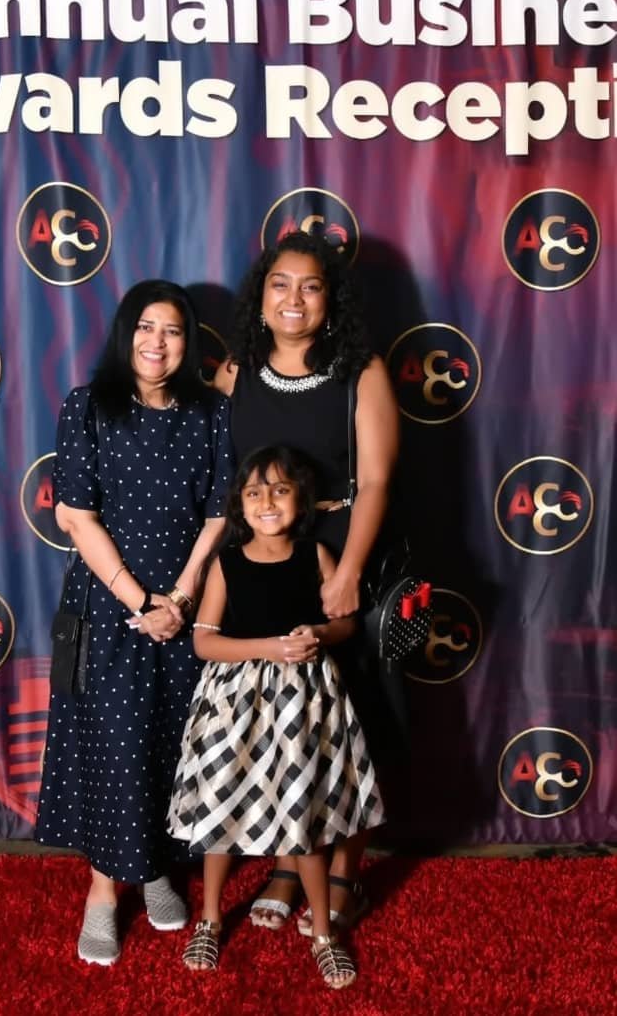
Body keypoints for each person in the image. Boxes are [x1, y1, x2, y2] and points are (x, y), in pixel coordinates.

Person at [36, 279, 234, 966]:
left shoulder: (211, 412)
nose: (158, 342)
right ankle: (102, 892)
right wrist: (137, 600)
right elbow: (76, 514)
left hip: (185, 607)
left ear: (189, 343)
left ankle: (154, 870)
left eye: (173, 330)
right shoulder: (88, 406)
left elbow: (220, 511)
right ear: (126, 334)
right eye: (146, 327)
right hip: (108, 607)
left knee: (172, 742)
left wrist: (180, 597)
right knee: (112, 745)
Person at [214, 230, 399, 935]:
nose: (294, 299)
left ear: (331, 300)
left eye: (311, 286)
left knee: (351, 720)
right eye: (280, 284)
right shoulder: (237, 372)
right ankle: (292, 863)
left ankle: (345, 870)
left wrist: (348, 572)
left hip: (339, 550)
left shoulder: (361, 371)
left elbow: (376, 480)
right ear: (261, 298)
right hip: (265, 559)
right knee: (285, 720)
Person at [168, 445, 384, 988]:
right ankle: (211, 920)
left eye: (281, 491)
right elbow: (204, 643)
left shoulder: (316, 555)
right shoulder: (226, 563)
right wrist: (267, 647)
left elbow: (346, 623)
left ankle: (324, 936)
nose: (267, 502)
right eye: (254, 492)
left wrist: (320, 632)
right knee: (219, 810)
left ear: (301, 501)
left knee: (301, 814)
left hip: (303, 704)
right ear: (240, 505)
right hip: (234, 706)